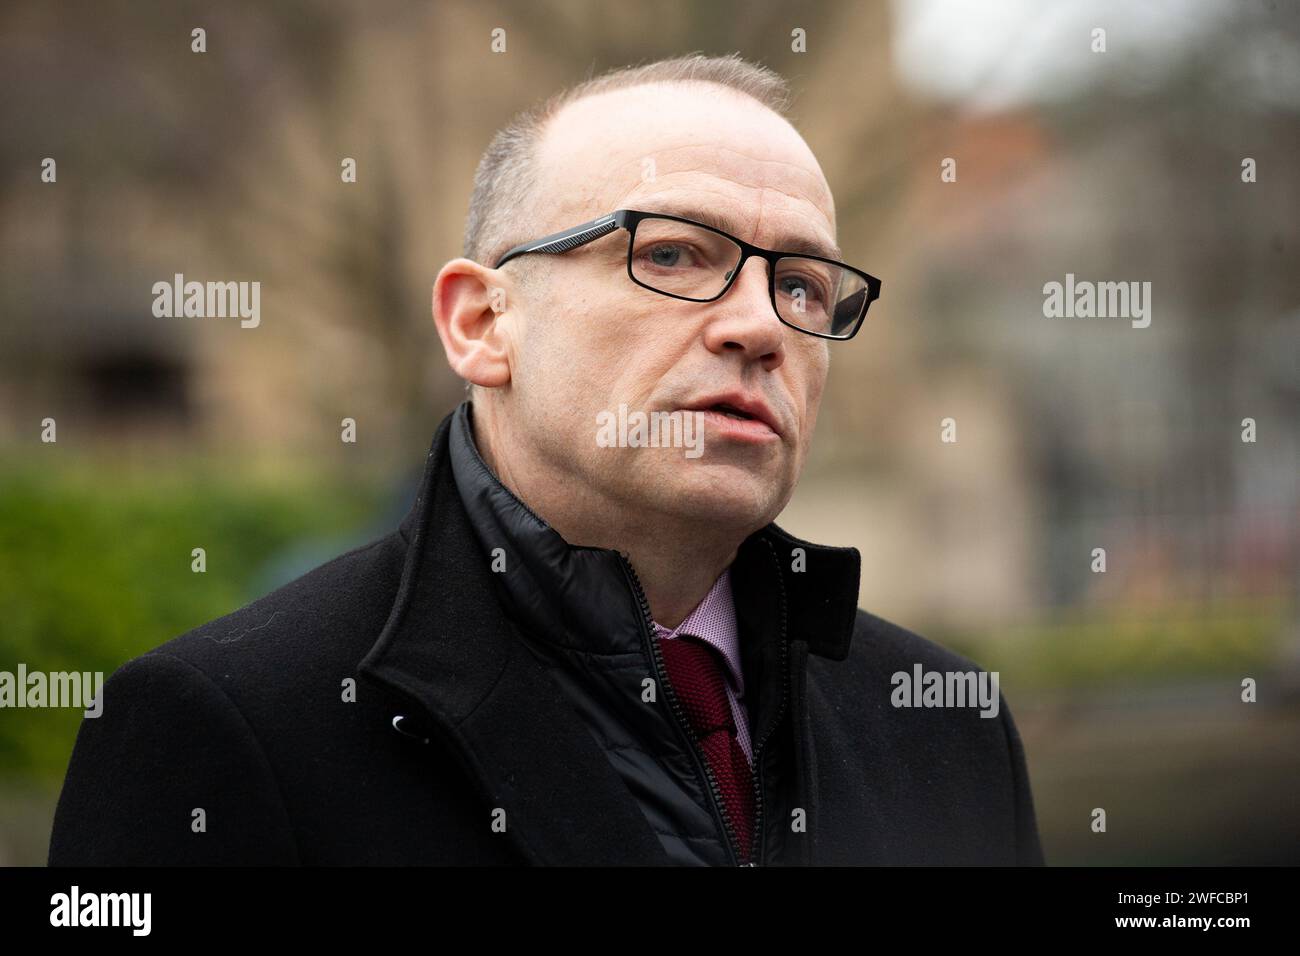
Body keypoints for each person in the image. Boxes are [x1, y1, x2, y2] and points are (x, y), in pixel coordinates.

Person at [48, 52, 1044, 866]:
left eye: (804, 284)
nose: (760, 325)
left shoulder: (946, 726)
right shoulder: (228, 724)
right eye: (671, 253)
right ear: (482, 322)